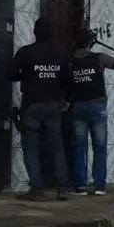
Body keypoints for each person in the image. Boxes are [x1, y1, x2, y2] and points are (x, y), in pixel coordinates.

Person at [9, 17, 72, 201]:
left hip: (31, 105)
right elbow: (68, 80)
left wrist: (26, 75)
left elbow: (10, 73)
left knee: (30, 148)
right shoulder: (61, 53)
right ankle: (63, 188)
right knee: (57, 148)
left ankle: (37, 189)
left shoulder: (26, 52)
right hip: (53, 106)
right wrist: (66, 100)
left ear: (35, 32)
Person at [67, 28, 114, 195]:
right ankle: (99, 186)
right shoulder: (99, 58)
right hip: (98, 108)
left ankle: (80, 186)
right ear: (90, 42)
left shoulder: (69, 61)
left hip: (78, 108)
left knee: (79, 148)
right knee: (100, 147)